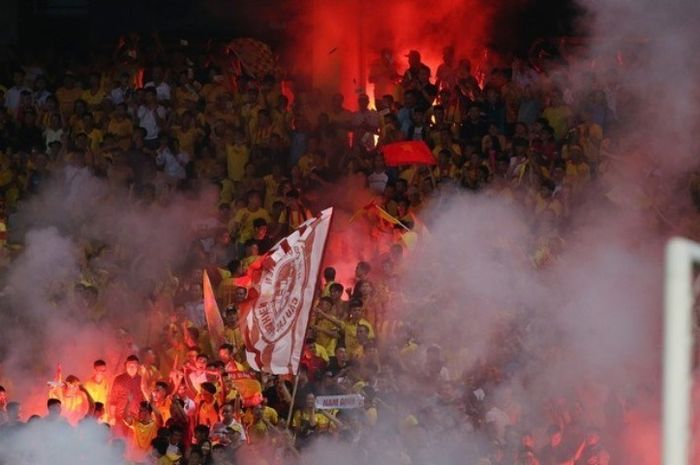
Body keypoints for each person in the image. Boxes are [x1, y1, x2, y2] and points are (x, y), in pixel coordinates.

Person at [110, 355, 146, 437]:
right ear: (126, 366)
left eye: (134, 366)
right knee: (120, 441)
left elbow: (146, 398)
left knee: (134, 443)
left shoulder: (142, 380)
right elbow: (113, 400)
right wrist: (112, 416)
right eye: (129, 366)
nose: (131, 368)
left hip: (137, 418)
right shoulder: (118, 379)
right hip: (120, 418)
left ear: (138, 366)